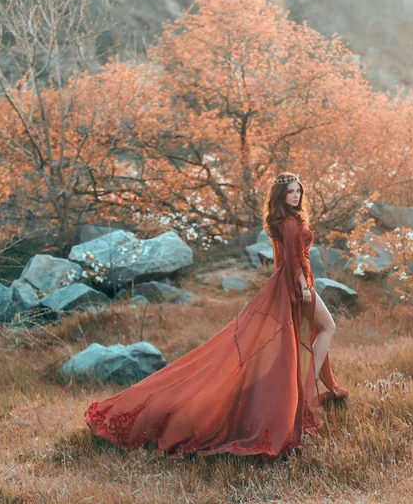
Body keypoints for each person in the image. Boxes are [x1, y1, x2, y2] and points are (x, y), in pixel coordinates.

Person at [84, 172, 348, 459]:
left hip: (285, 284)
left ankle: (305, 387)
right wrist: (302, 287)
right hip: (295, 286)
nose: (296, 196)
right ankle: (307, 387)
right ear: (280, 196)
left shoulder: (284, 221)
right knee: (327, 327)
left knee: (306, 336)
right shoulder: (290, 223)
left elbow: (285, 258)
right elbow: (296, 261)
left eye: (298, 191)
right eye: (290, 192)